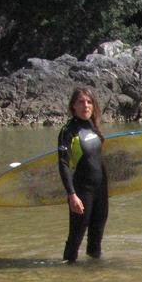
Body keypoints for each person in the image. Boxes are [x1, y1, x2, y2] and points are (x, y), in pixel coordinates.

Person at [57, 87, 108, 263]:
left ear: (93, 106)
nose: (85, 105)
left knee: (96, 238)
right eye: (80, 101)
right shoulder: (68, 131)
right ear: (73, 106)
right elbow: (63, 164)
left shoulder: (94, 128)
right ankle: (67, 276)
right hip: (82, 191)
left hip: (101, 191)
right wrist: (72, 195)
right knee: (76, 237)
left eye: (89, 102)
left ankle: (94, 275)